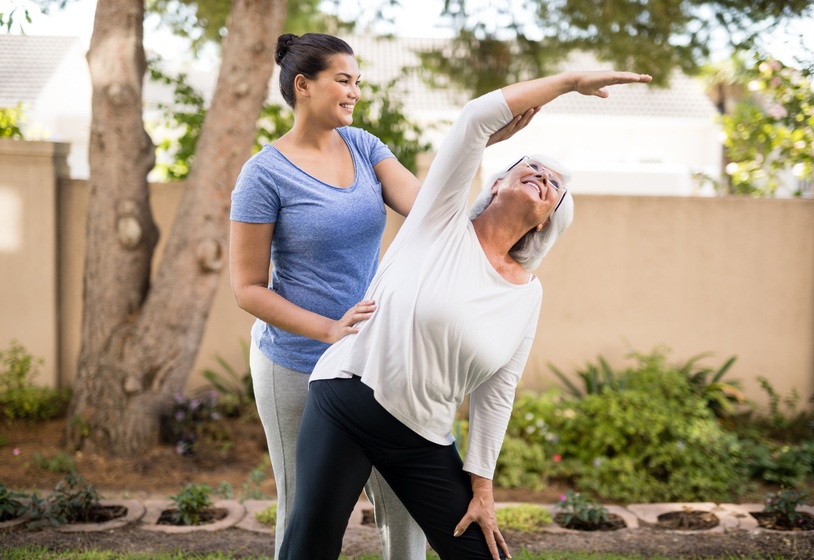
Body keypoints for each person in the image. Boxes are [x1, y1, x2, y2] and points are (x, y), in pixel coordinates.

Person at [278, 68, 653, 560]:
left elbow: (498, 390)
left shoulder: (527, 294)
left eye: (556, 184)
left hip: (423, 436)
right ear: (496, 184)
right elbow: (475, 119)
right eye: (532, 167)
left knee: (482, 555)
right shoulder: (442, 220)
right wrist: (570, 81)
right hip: (350, 397)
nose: (545, 176)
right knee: (310, 544)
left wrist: (483, 488)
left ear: (548, 221)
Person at [228, 32, 533, 559]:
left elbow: (430, 206)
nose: (354, 92)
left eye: (358, 82)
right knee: (306, 513)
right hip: (294, 362)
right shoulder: (263, 175)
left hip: (374, 365)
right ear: (303, 85)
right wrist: (327, 328)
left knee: (405, 516)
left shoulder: (365, 148)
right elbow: (247, 289)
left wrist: (480, 142)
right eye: (343, 81)